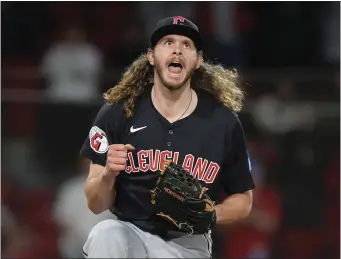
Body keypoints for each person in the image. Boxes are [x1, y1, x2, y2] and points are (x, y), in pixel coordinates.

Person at [80, 16, 255, 258]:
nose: (177, 49)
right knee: (105, 233)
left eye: (187, 45)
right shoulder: (119, 112)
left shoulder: (223, 122)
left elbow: (243, 198)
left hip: (187, 243)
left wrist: (212, 213)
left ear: (198, 61)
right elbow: (95, 204)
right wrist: (108, 174)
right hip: (130, 232)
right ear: (151, 56)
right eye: (168, 42)